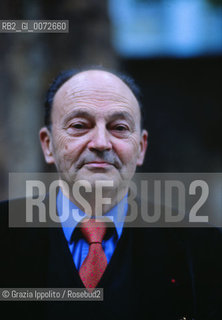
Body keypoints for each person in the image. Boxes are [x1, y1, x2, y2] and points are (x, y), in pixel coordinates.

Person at [0, 67, 222, 320]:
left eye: (119, 127)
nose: (101, 143)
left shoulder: (201, 248)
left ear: (141, 148)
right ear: (48, 144)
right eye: (79, 125)